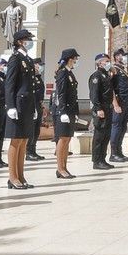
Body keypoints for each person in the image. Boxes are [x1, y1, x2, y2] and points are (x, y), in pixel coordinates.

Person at [4, 29, 37, 189]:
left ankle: (21, 175)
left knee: (24, 141)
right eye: (27, 39)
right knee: (16, 141)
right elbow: (10, 84)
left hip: (27, 105)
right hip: (17, 104)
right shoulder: (15, 59)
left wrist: (34, 106)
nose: (30, 42)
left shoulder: (28, 60)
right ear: (19, 42)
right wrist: (10, 106)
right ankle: (12, 177)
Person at [51, 48, 80, 178]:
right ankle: (60, 168)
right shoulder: (62, 73)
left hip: (70, 110)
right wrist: (62, 111)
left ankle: (64, 167)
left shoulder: (69, 73)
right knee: (62, 140)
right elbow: (61, 93)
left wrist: (75, 112)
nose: (76, 61)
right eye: (75, 59)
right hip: (63, 111)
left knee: (67, 139)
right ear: (70, 59)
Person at [88, 52, 116, 170]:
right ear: (99, 63)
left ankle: (102, 159)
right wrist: (98, 108)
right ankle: (96, 161)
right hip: (101, 109)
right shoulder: (96, 76)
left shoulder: (106, 75)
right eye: (106, 61)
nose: (108, 63)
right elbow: (94, 94)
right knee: (99, 135)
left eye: (108, 61)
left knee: (106, 135)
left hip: (108, 108)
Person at [110, 48, 128, 162]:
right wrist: (115, 104)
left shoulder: (125, 69)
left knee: (123, 127)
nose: (123, 57)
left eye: (123, 55)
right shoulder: (114, 69)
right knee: (117, 126)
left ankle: (119, 152)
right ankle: (113, 154)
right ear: (116, 56)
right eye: (121, 55)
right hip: (118, 101)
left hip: (126, 101)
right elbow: (110, 88)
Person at [26, 58, 46, 161]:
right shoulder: (30, 76)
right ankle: (28, 152)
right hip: (32, 105)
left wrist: (42, 105)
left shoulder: (38, 77)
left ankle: (33, 151)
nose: (40, 67)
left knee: (37, 130)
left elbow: (40, 93)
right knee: (32, 129)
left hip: (38, 105)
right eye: (39, 65)